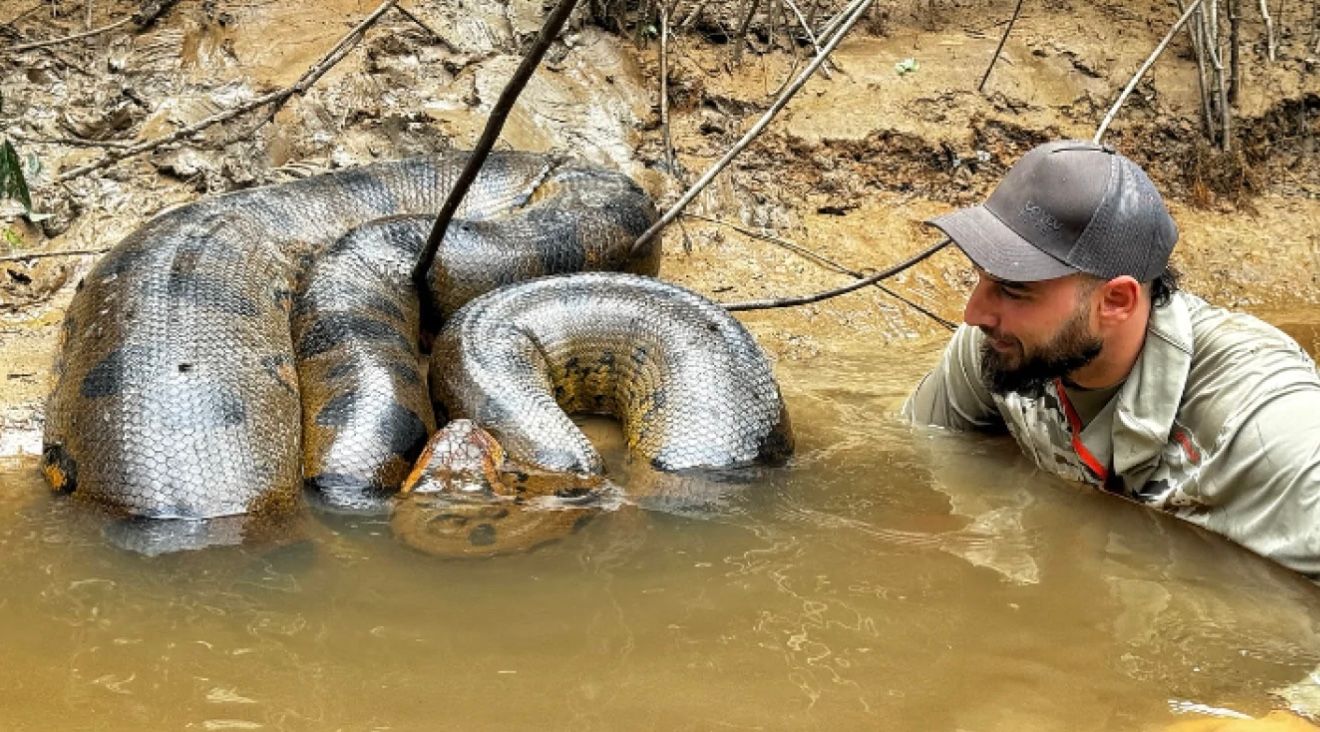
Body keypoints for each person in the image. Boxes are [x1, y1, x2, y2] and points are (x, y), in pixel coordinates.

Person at [903, 139, 1320, 576]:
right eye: (981, 278)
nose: (974, 314)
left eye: (1012, 288)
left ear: (1116, 301)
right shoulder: (1002, 347)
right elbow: (910, 464)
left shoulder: (1260, 421)